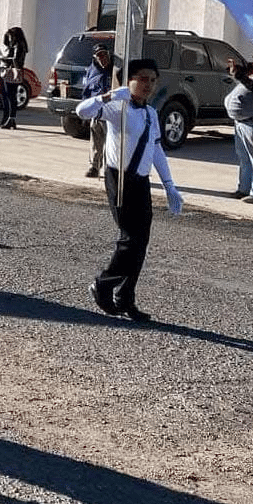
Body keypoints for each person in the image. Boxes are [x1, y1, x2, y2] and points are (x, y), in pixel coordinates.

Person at [77, 58, 183, 323]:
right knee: (130, 239)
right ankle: (103, 284)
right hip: (119, 179)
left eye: (153, 80)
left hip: (141, 181)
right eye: (143, 79)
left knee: (140, 242)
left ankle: (125, 297)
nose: (149, 85)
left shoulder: (150, 113)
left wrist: (169, 185)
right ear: (129, 81)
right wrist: (108, 96)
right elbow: (82, 111)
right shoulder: (118, 108)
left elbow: (156, 148)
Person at [224, 45, 253, 204]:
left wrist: (240, 76)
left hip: (252, 121)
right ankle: (244, 188)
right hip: (240, 120)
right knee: (244, 157)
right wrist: (236, 72)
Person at [81, 46, 113, 177]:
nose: (102, 58)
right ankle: (94, 167)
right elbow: (86, 91)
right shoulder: (92, 70)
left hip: (111, 112)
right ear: (95, 58)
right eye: (99, 56)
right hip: (96, 111)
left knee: (110, 142)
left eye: (104, 55)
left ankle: (110, 170)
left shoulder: (115, 69)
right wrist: (86, 110)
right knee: (96, 141)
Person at [0, 25, 28, 129]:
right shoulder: (15, 44)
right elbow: (6, 43)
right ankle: (9, 119)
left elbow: (16, 60)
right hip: (12, 71)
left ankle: (11, 119)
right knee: (8, 95)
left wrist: (5, 59)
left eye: (11, 36)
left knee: (11, 96)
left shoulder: (18, 45)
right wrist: (6, 36)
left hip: (13, 71)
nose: (10, 38)